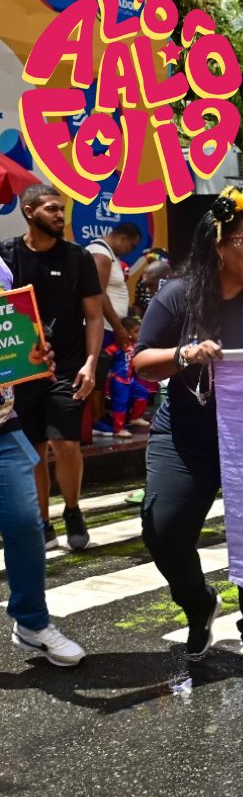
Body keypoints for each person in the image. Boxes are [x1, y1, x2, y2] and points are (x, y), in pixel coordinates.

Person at [133, 187, 243, 671]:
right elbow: (142, 361)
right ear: (219, 246)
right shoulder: (178, 295)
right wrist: (183, 354)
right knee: (164, 529)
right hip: (186, 434)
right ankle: (198, 603)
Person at [1, 185, 104, 552]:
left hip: (69, 367)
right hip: (23, 371)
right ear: (29, 212)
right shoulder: (7, 255)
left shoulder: (77, 257)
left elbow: (94, 316)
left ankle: (72, 509)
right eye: (51, 209)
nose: (60, 215)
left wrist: (91, 364)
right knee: (33, 448)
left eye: (62, 209)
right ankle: (43, 521)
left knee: (65, 443)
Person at [0, 248, 85, 666]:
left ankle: (31, 623)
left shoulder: (0, 269)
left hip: (3, 424)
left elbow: (12, 338)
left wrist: (35, 357)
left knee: (25, 525)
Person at [92, 316, 154, 439]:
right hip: (119, 380)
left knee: (143, 394)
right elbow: (105, 356)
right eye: (136, 331)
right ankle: (118, 429)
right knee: (120, 404)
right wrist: (107, 371)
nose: (139, 334)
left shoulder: (136, 345)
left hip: (130, 380)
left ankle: (135, 417)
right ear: (126, 333)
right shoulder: (119, 346)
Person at [86, 222, 142, 348]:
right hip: (103, 329)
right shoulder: (101, 254)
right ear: (123, 238)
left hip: (109, 328)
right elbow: (98, 293)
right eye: (132, 246)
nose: (131, 251)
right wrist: (118, 328)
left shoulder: (109, 253)